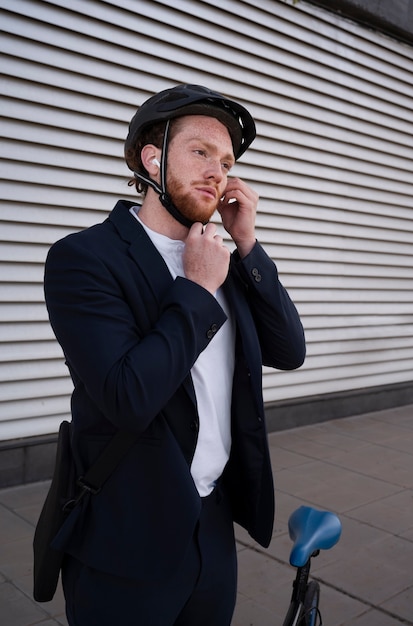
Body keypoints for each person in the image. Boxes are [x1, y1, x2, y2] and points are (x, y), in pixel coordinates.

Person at [44, 84, 306, 626]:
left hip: (212, 523)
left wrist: (248, 244)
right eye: (201, 152)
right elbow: (126, 396)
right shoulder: (84, 258)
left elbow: (290, 350)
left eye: (228, 161)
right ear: (153, 158)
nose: (219, 170)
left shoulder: (222, 258)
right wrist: (195, 289)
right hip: (127, 536)